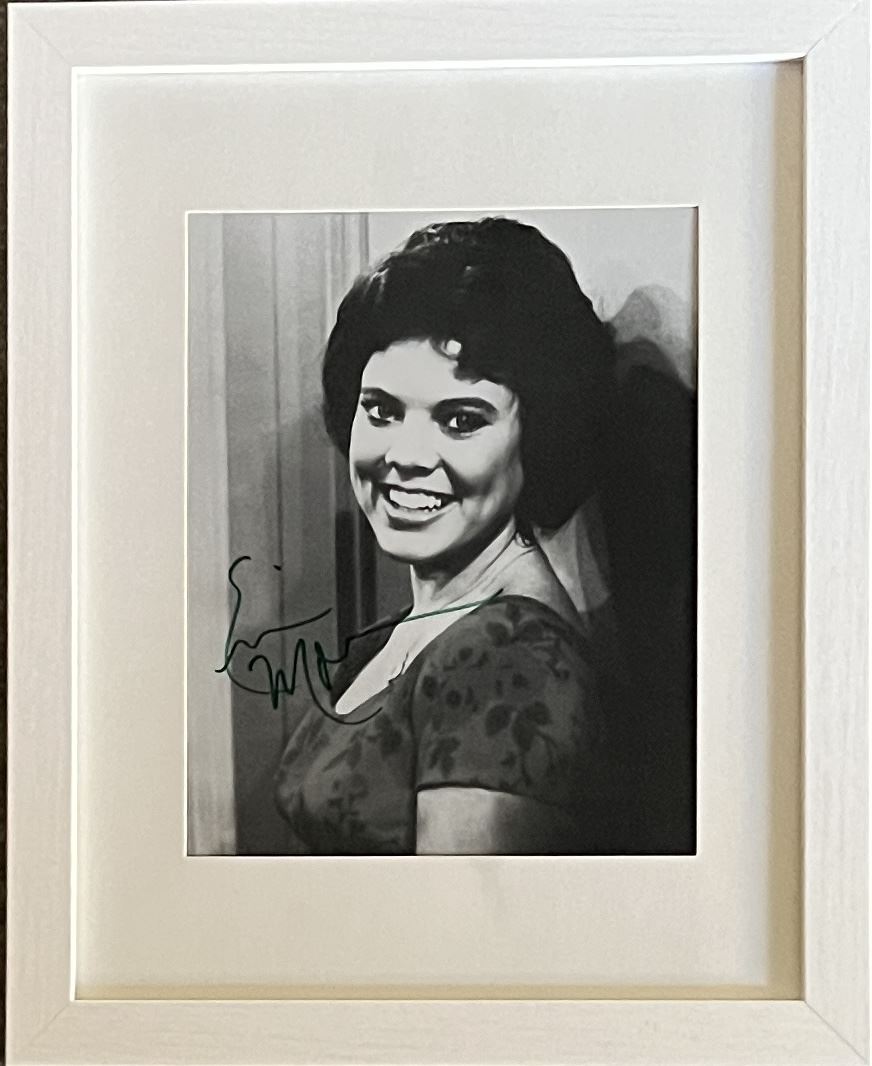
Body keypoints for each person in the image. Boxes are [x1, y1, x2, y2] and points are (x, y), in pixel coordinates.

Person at [274, 217, 639, 855]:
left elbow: (457, 920)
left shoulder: (512, 660)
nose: (406, 456)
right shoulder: (412, 629)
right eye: (381, 410)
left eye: (461, 420)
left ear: (540, 436)